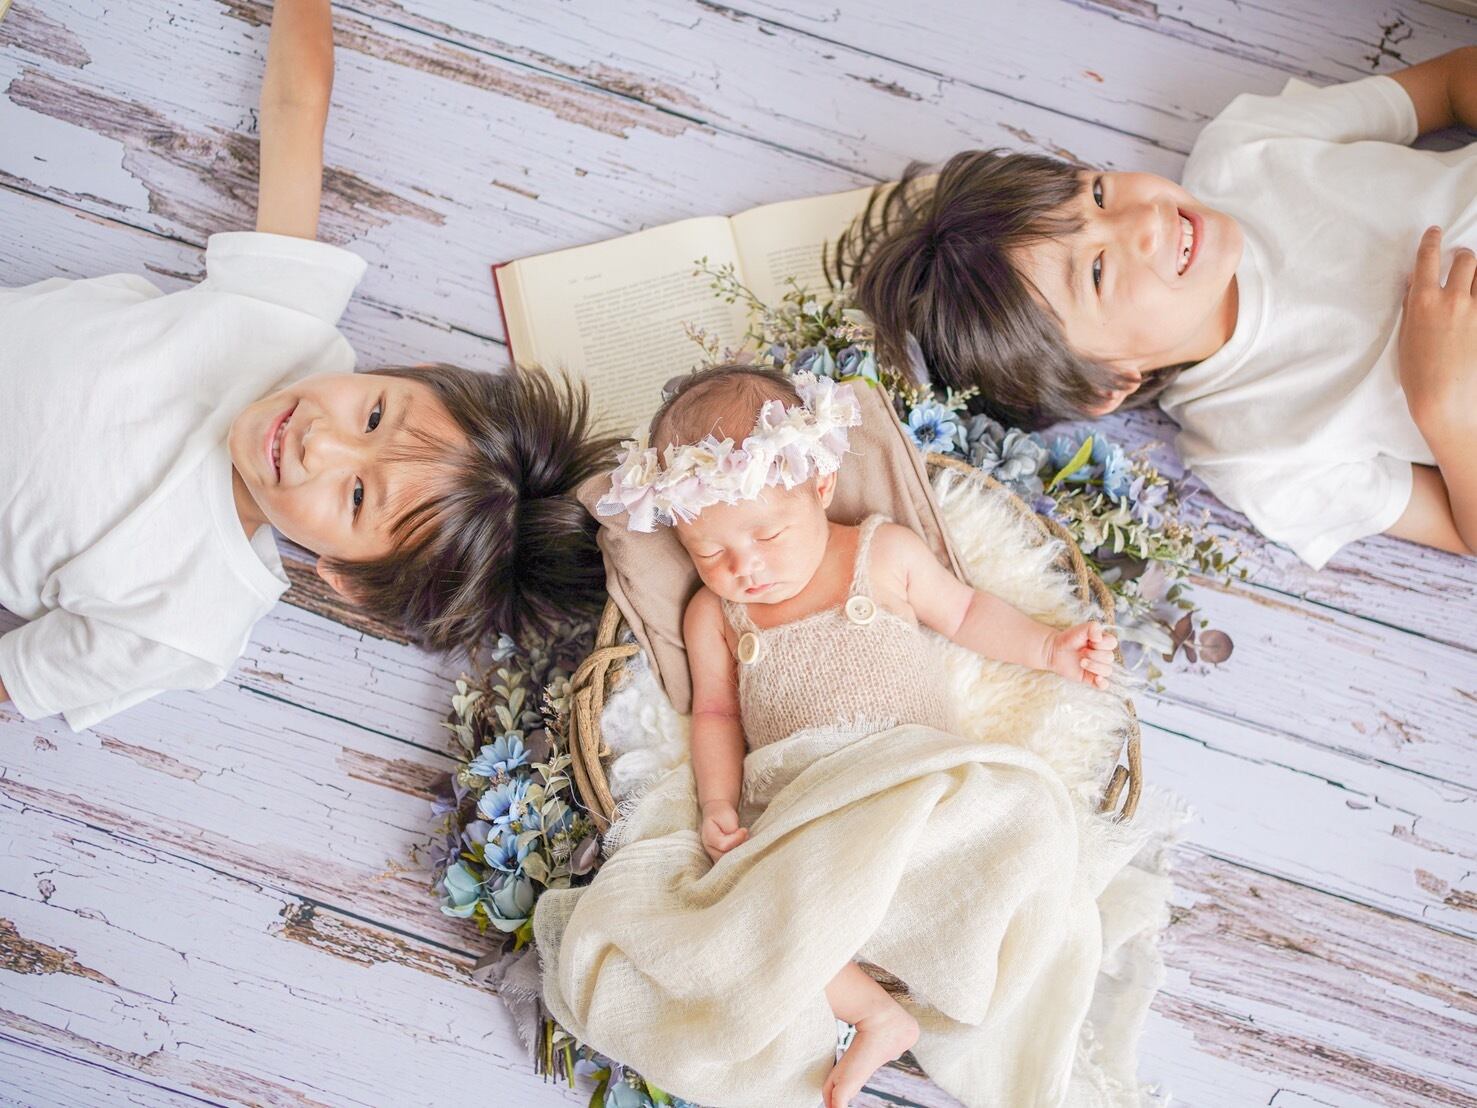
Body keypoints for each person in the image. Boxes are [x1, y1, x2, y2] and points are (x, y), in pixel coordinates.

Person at [0, 0, 611, 730]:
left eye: (356, 496)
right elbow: (296, 107)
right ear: (407, 371)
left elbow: (20, 675)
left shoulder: (187, 615)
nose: (320, 441)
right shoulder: (282, 325)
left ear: (347, 578)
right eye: (374, 416)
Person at [595, 364, 1117, 1108]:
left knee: (1021, 821)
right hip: (808, 803)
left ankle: (951, 966)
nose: (744, 569)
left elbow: (966, 614)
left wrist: (1047, 647)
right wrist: (718, 806)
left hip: (917, 777)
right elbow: (714, 716)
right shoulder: (713, 616)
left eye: (768, 535)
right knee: (749, 903)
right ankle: (873, 1010)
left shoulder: (881, 554)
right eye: (709, 553)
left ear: (820, 485)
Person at [839, 47, 1477, 570]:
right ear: (1108, 382)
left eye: (1096, 194)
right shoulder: (1253, 457)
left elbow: (1449, 85)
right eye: (1097, 272)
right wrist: (1444, 410)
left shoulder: (1247, 149)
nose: (1144, 219)